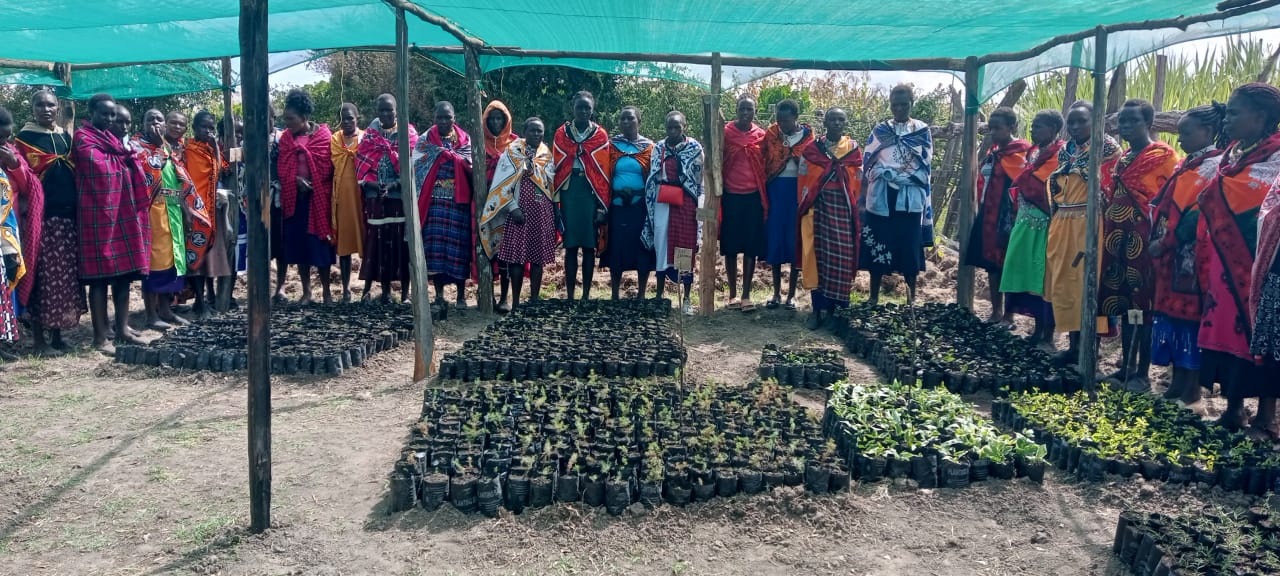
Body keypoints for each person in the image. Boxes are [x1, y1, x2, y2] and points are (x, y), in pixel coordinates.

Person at [1198, 83, 1280, 432]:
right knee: (1229, 332)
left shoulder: (1276, 157)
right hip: (1224, 263)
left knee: (1264, 333)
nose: (1227, 119)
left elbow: (1267, 206)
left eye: (1234, 112)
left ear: (1260, 117)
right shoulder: (1232, 154)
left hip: (1264, 262)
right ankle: (1233, 409)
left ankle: (1266, 417)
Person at [1149, 103, 1225, 405]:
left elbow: (1196, 213)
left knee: (1190, 319)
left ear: (1207, 132)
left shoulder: (1214, 166)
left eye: (1186, 133)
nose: (1179, 140)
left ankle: (1192, 385)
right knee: (1171, 316)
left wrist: (1167, 240)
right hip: (1174, 255)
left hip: (1192, 255)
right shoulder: (1189, 164)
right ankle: (1177, 380)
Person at [1103, 99, 1179, 390]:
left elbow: (1168, 201)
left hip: (1143, 240)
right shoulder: (1123, 159)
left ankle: (1143, 374)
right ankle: (1126, 366)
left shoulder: (1162, 156)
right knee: (1122, 302)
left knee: (1141, 304)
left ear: (1148, 123)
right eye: (1122, 122)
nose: (1125, 127)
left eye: (1132, 121)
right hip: (1116, 239)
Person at [73, 94, 150, 353]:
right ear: (91, 112)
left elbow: (128, 164)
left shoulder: (114, 141)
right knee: (98, 280)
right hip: (97, 215)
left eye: (112, 115)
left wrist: (127, 160)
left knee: (124, 277)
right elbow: (99, 169)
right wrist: (126, 160)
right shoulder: (84, 138)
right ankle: (99, 337)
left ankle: (123, 329)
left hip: (122, 214)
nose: (108, 118)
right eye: (104, 114)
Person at [1046, 101, 1120, 364]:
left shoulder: (1107, 150)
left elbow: (1109, 190)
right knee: (1065, 285)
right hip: (1063, 221)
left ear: (1096, 121)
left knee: (1088, 285)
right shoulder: (1067, 151)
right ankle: (1073, 345)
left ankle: (1091, 347)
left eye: (1082, 121)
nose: (1076, 127)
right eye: (1072, 122)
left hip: (1089, 224)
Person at [14, 90, 83, 355]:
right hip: (39, 220)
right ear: (32, 108)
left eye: (50, 105)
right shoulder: (23, 139)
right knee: (40, 277)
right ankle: (39, 340)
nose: (45, 109)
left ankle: (57, 335)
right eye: (40, 104)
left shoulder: (65, 137)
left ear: (58, 108)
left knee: (63, 278)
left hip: (66, 219)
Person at [862, 84, 934, 304]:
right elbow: (868, 161)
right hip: (883, 195)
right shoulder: (880, 131)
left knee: (909, 244)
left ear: (912, 104)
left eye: (904, 104)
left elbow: (926, 162)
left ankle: (911, 298)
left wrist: (905, 177)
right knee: (879, 242)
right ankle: (873, 296)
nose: (900, 109)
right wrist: (884, 173)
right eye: (895, 105)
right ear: (890, 105)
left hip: (909, 196)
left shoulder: (921, 130)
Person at [1000, 110, 1065, 345]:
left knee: (1042, 277)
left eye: (1039, 126)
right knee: (1025, 273)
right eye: (1033, 125)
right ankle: (1035, 330)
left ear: (1054, 129)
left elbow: (1050, 186)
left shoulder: (1061, 153)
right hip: (1025, 220)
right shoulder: (1033, 152)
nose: (1033, 130)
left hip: (1045, 223)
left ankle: (1047, 333)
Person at [480, 117, 556, 310]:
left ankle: (534, 300)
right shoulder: (512, 152)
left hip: (541, 212)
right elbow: (503, 184)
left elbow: (550, 182)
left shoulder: (546, 154)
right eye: (533, 131)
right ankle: (514, 302)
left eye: (540, 131)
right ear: (525, 132)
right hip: (518, 213)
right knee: (516, 258)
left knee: (537, 257)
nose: (536, 134)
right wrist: (513, 208)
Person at [964, 107, 1031, 325]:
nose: (993, 132)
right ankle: (995, 311)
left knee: (1008, 263)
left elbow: (1024, 185)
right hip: (989, 213)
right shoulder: (993, 153)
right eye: (990, 128)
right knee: (992, 264)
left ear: (1011, 127)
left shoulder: (1021, 153)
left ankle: (1009, 315)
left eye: (998, 128)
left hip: (1009, 215)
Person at [797, 108, 862, 330]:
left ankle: (834, 312)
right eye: (832, 119)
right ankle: (817, 310)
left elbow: (859, 181)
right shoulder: (813, 150)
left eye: (840, 119)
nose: (836, 122)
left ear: (845, 122)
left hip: (843, 210)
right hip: (818, 209)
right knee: (818, 258)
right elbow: (804, 179)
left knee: (841, 259)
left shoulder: (852, 150)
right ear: (824, 122)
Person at [136, 109, 196, 330]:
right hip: (151, 212)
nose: (154, 123)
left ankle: (166, 310)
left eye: (158, 119)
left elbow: (179, 180)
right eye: (149, 119)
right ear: (142, 123)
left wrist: (185, 207)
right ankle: (151, 315)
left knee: (171, 262)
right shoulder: (136, 148)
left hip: (172, 212)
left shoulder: (168, 148)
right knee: (152, 264)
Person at [276, 88, 336, 305]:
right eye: (285, 119)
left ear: (304, 117)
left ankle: (327, 293)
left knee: (320, 246)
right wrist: (295, 180)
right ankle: (307, 292)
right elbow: (282, 167)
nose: (287, 123)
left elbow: (328, 165)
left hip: (317, 199)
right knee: (300, 247)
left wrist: (312, 183)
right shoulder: (285, 139)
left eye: (291, 119)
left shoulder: (322, 136)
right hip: (295, 200)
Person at [552, 91, 613, 301]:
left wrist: (600, 207)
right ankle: (569, 295)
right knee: (570, 246)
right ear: (573, 107)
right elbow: (557, 167)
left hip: (590, 193)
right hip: (569, 192)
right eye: (580, 107)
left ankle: (586, 295)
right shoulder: (562, 134)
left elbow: (602, 173)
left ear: (592, 109)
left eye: (588, 107)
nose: (584, 111)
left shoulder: (600, 135)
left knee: (588, 245)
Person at [355, 94, 416, 303]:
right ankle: (385, 291)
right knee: (379, 242)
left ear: (396, 111)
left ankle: (406, 293)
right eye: (381, 110)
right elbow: (362, 166)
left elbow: (412, 167)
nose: (385, 114)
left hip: (399, 197)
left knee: (401, 243)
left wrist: (394, 184)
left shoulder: (407, 134)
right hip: (376, 197)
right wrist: (373, 184)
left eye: (389, 110)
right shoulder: (371, 135)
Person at [415, 101, 474, 310]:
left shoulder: (465, 140)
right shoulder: (425, 141)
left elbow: (470, 164)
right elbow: (418, 166)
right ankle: (439, 295)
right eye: (439, 117)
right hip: (435, 202)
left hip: (459, 203)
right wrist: (441, 155)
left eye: (447, 117)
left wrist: (453, 158)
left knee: (459, 248)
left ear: (454, 119)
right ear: (434, 118)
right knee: (436, 249)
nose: (443, 121)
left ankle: (460, 296)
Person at [644, 111, 703, 315]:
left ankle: (686, 298)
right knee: (661, 243)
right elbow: (653, 175)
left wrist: (700, 205)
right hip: (663, 200)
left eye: (677, 127)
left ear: (684, 127)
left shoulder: (694, 148)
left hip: (686, 202)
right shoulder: (658, 147)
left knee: (685, 246)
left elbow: (699, 179)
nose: (673, 131)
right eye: (669, 127)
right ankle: (660, 295)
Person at [761, 98, 814, 310]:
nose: (782, 124)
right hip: (776, 191)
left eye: (786, 120)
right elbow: (765, 159)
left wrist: (796, 158)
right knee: (775, 240)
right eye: (779, 120)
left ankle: (791, 295)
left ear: (796, 118)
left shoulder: (809, 139)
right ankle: (775, 292)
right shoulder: (772, 135)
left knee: (794, 242)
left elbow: (812, 165)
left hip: (797, 194)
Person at [720, 97, 768, 311]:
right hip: (730, 197)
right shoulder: (725, 132)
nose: (746, 112)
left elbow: (766, 164)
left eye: (750, 108)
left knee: (751, 246)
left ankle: (746, 294)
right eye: (742, 108)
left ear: (755, 112)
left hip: (753, 197)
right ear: (736, 110)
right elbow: (717, 158)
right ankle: (731, 294)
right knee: (730, 246)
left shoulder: (761, 136)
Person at [185, 110, 231, 319]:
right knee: (196, 258)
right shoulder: (188, 149)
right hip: (194, 210)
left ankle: (206, 300)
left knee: (208, 258)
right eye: (204, 127)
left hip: (212, 211)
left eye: (211, 127)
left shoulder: (211, 149)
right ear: (194, 128)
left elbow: (221, 170)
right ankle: (200, 303)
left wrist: (215, 149)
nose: (208, 131)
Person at [606, 106, 655, 300]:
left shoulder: (649, 147)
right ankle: (615, 294)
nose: (626, 122)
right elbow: (604, 174)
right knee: (616, 247)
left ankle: (642, 294)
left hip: (640, 207)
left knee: (641, 247)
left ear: (639, 122)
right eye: (622, 119)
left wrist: (637, 193)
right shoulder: (611, 146)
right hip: (617, 206)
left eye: (630, 119)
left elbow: (653, 178)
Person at [483, 100, 518, 312]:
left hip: (507, 207)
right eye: (492, 119)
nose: (496, 123)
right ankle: (487, 296)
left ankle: (505, 297)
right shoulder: (478, 142)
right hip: (485, 204)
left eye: (499, 119)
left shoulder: (515, 144)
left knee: (506, 252)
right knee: (487, 250)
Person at [330, 102, 364, 303]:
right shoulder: (335, 140)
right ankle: (345, 289)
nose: (347, 122)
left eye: (350, 118)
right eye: (343, 119)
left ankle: (368, 288)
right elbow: (335, 162)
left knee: (366, 242)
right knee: (344, 248)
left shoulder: (367, 138)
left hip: (362, 198)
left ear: (357, 118)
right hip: (342, 197)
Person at [0, 107, 24, 347]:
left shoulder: (8, 158)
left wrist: (13, 164)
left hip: (6, 237)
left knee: (5, 291)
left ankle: (4, 341)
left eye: (7, 137)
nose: (4, 143)